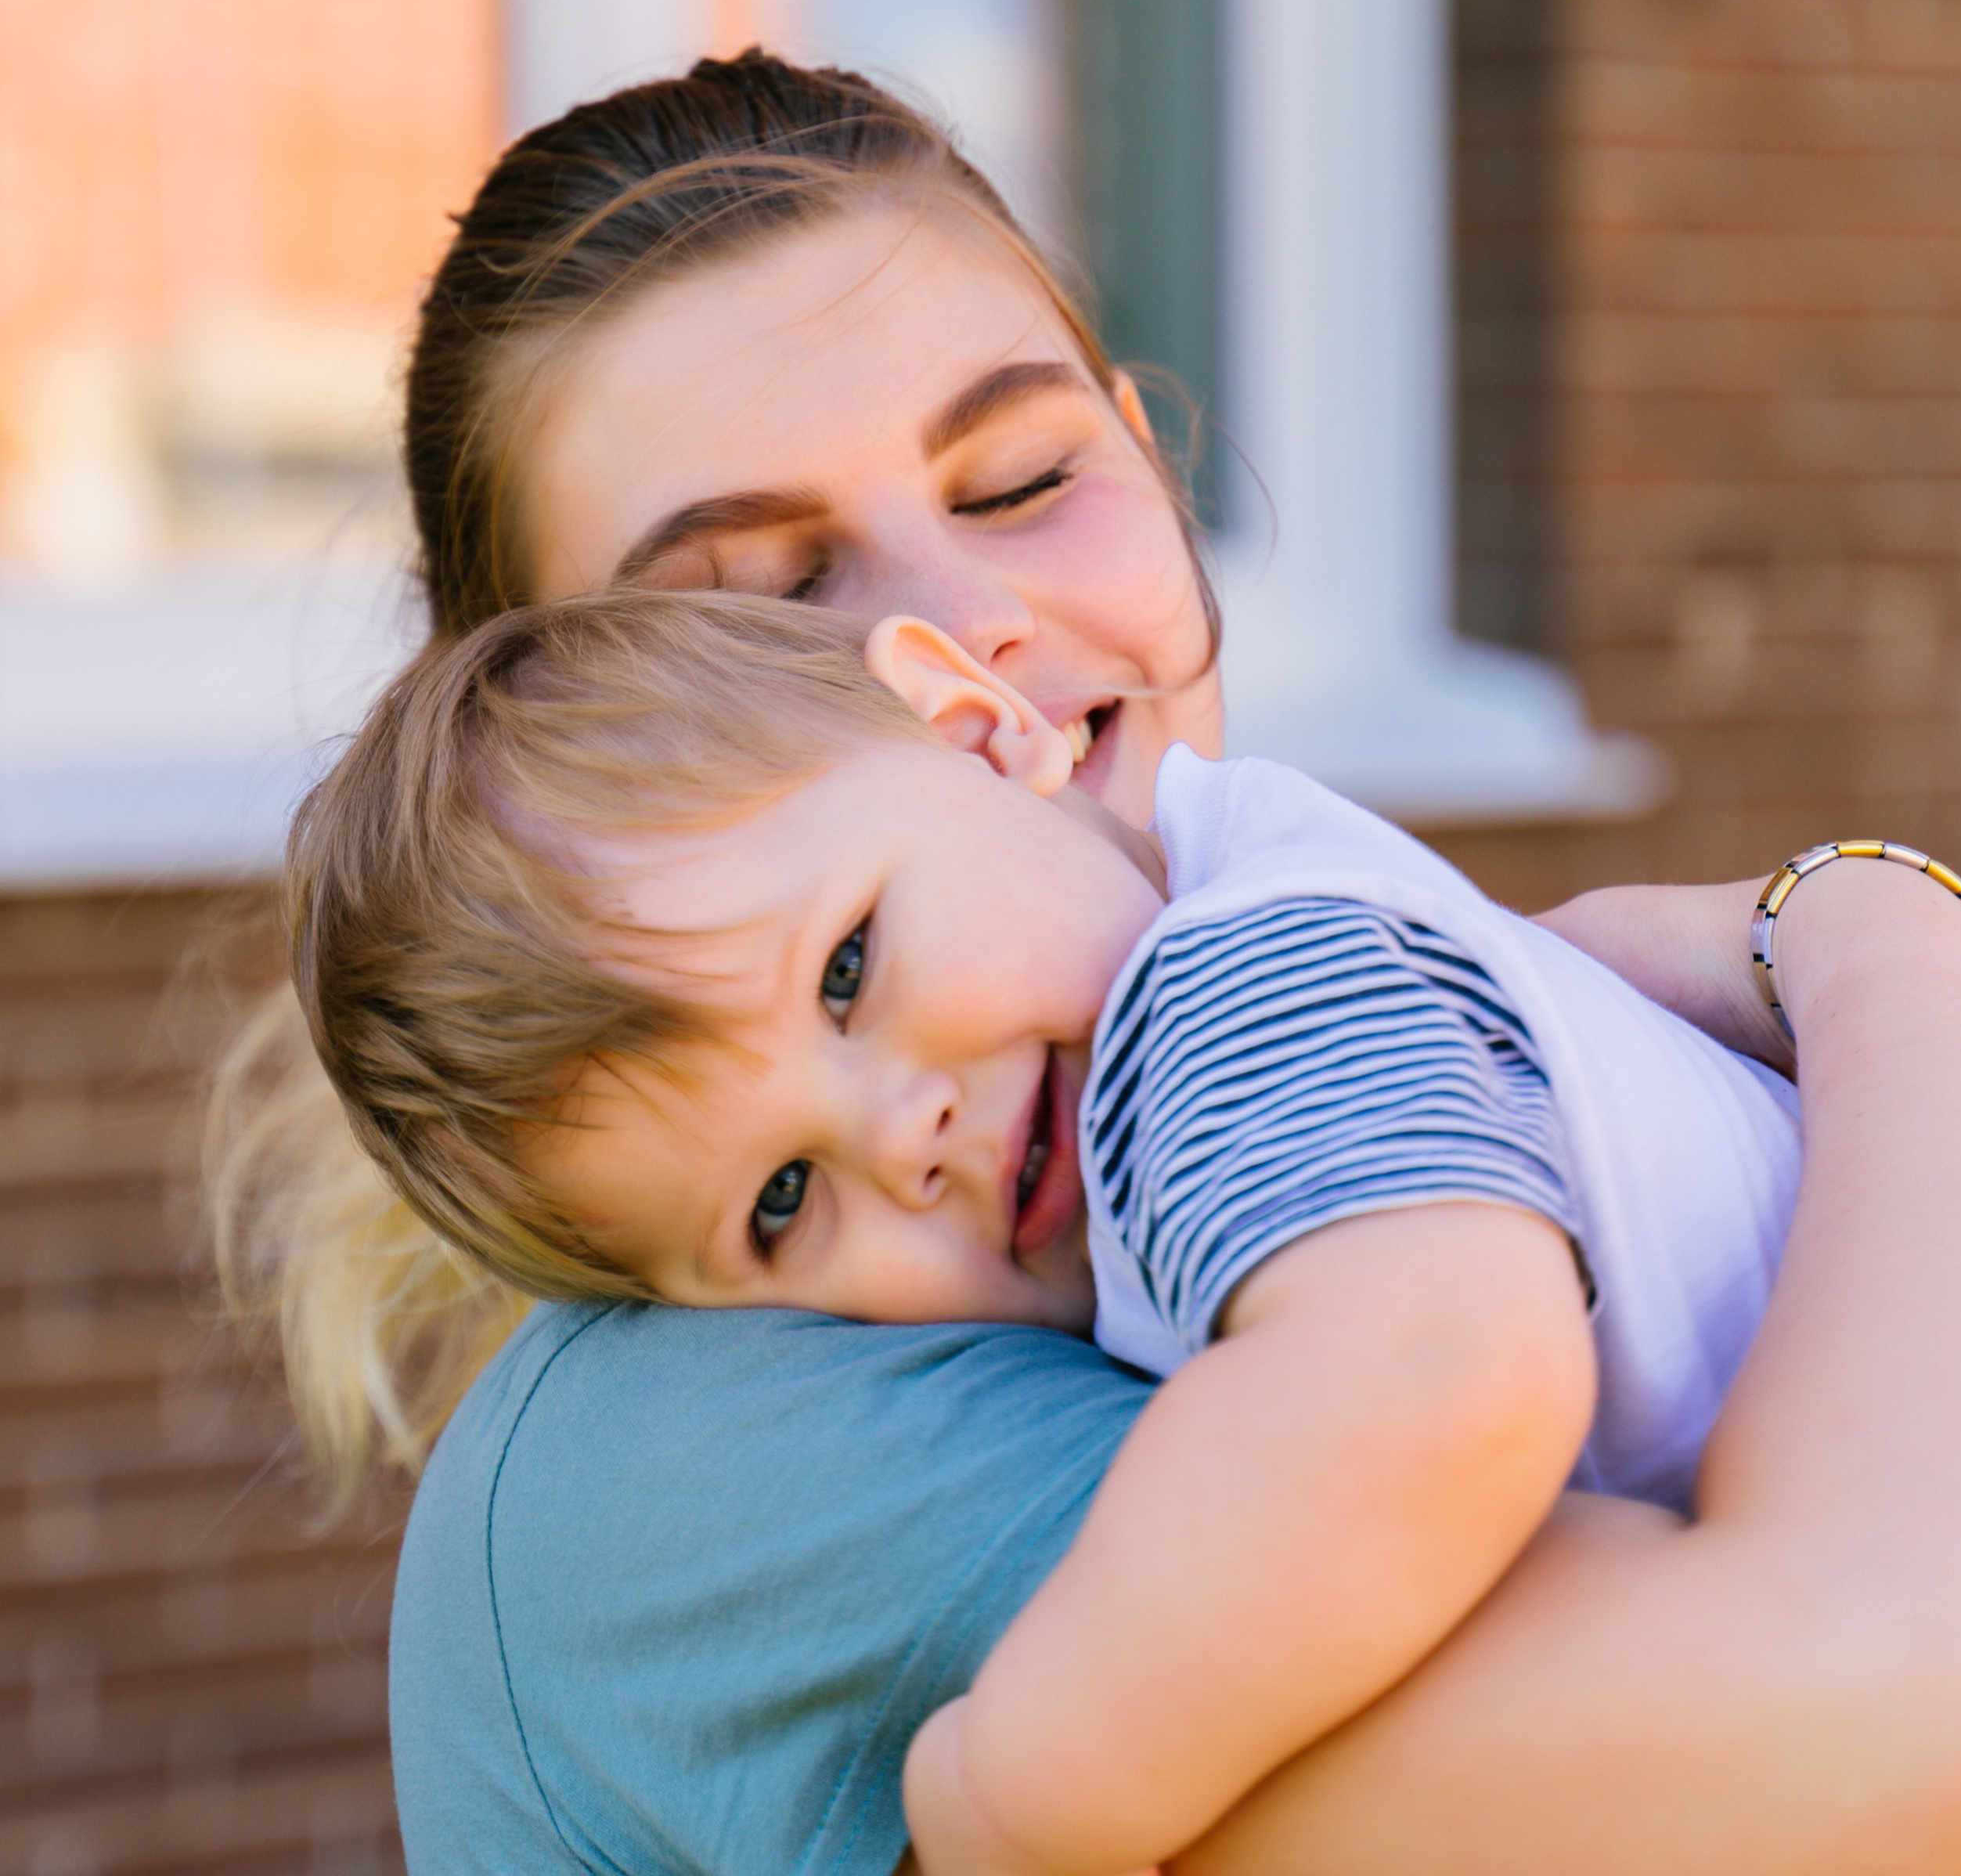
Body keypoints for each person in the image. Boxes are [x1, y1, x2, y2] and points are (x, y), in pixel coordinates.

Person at [213, 51, 1961, 1872]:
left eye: (1013, 476)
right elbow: (1919, 1707)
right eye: (760, 606)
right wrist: (1882, 936)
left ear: (1144, 460)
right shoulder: (705, 1446)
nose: (962, 625)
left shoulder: (1250, 997)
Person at [287, 584, 1832, 1876]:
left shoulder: (1223, 994)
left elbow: (1436, 1379)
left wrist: (1024, 1780)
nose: (901, 1139)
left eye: (845, 969)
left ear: (976, 730)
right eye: (779, 1199)